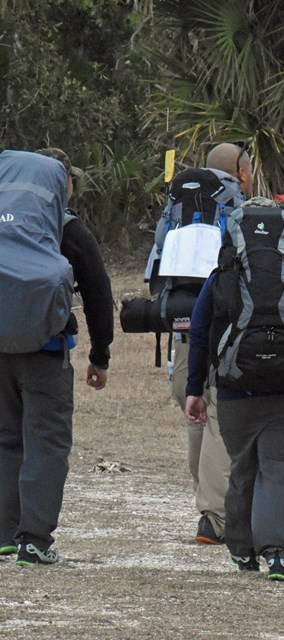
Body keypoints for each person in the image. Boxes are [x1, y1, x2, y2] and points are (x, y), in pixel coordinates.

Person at [185, 198, 284, 581]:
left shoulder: (223, 276)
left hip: (236, 390)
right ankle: (279, 552)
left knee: (244, 467)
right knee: (281, 469)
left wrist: (196, 387)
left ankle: (243, 549)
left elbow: (200, 334)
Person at [0, 148, 113, 565]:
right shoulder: (68, 231)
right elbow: (100, 294)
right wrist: (100, 356)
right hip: (46, 355)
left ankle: (4, 534)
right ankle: (34, 540)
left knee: (6, 440)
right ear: (60, 182)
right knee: (46, 444)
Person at [164, 142, 253, 546]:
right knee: (216, 414)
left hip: (184, 322)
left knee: (193, 409)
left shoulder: (180, 202)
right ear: (241, 172)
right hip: (227, 322)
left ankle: (207, 503)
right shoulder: (240, 205)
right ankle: (214, 517)